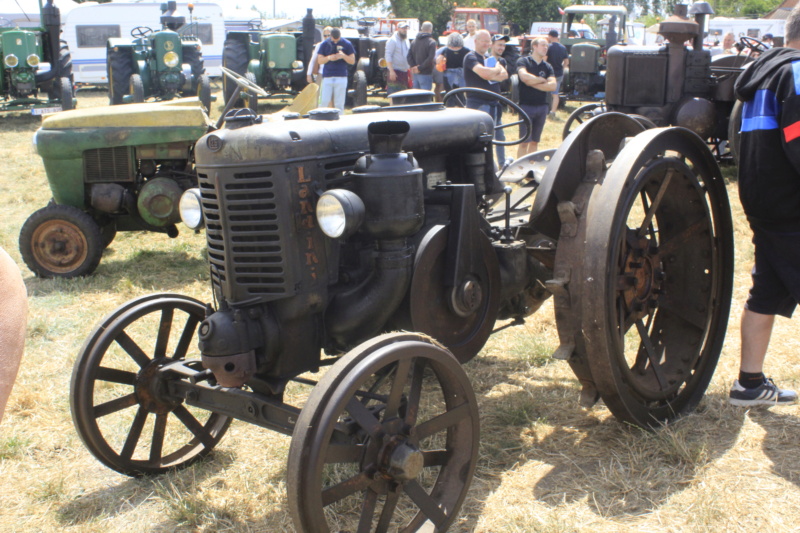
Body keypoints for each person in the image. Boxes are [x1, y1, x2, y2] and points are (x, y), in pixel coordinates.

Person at [728, 5, 800, 406]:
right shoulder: (798, 72)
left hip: (763, 200)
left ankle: (749, 385)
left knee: (766, 292)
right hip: (792, 204)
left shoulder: (761, 73)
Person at [464, 30, 509, 164]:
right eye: (483, 41)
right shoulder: (470, 57)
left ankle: (502, 165)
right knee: (484, 140)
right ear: (475, 41)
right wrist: (495, 69)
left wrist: (493, 71)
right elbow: (484, 74)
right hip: (479, 104)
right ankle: (487, 167)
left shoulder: (489, 58)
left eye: (488, 41)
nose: (486, 44)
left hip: (495, 104)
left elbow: (505, 75)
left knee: (500, 138)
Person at [515, 37, 556, 157]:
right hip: (526, 106)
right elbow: (524, 77)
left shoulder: (548, 67)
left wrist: (532, 83)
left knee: (534, 142)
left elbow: (553, 86)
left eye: (547, 46)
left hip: (542, 107)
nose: (545, 48)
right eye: (543, 45)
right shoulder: (523, 62)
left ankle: (531, 170)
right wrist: (541, 80)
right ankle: (520, 169)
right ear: (534, 46)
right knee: (524, 142)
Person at [316, 28, 355, 112]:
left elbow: (352, 61)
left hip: (341, 76)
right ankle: (321, 119)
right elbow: (319, 60)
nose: (336, 41)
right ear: (331, 36)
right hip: (327, 76)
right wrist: (329, 57)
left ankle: (339, 119)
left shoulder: (347, 44)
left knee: (339, 103)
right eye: (334, 39)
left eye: (337, 39)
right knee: (323, 101)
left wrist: (343, 56)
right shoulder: (325, 44)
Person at [546, 29, 568, 119]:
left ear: (550, 36)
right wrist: (562, 69)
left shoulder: (548, 47)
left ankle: (545, 109)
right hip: (559, 73)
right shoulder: (563, 47)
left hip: (549, 73)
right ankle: (553, 112)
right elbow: (566, 61)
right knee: (555, 94)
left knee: (546, 92)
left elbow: (544, 59)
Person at [408, 21, 437, 91]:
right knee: (425, 97)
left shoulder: (413, 41)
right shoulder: (431, 42)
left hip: (415, 74)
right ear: (431, 30)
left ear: (421, 29)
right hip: (426, 73)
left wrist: (414, 67)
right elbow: (430, 58)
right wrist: (420, 68)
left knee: (416, 97)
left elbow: (409, 56)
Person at [384, 21, 411, 95]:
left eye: (406, 28)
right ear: (398, 28)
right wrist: (391, 71)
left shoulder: (406, 40)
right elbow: (388, 55)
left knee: (403, 94)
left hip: (404, 72)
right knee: (393, 94)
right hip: (395, 71)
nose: (404, 30)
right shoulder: (392, 40)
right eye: (403, 28)